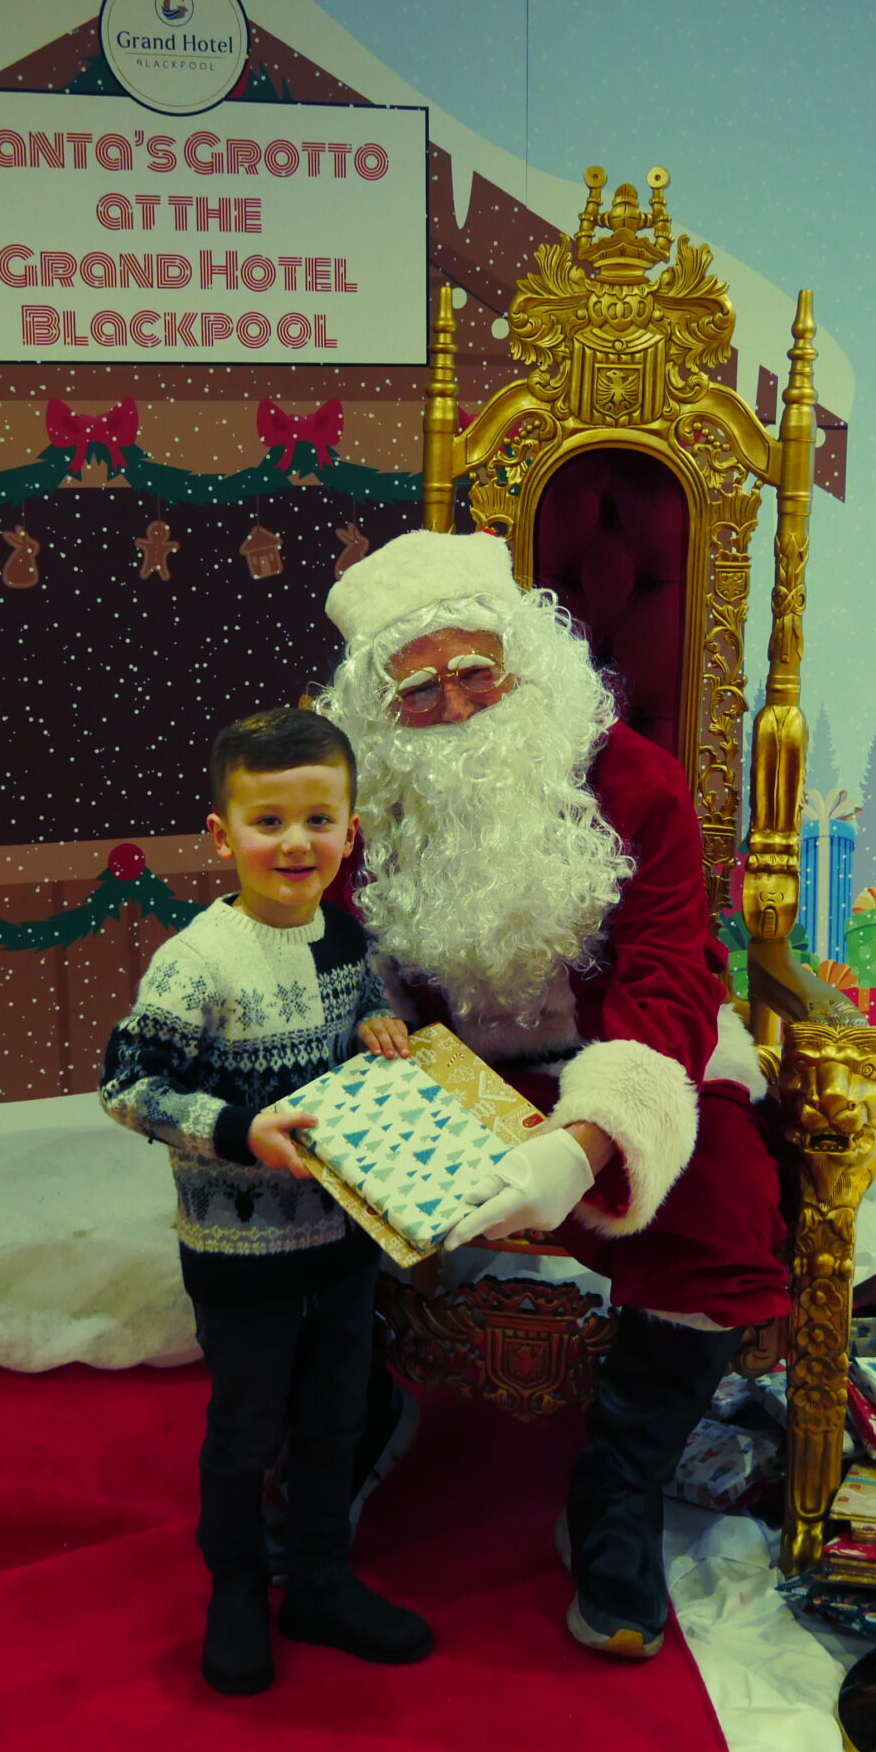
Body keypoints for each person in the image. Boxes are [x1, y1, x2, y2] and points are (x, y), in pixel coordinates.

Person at [316, 528, 788, 1661]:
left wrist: (581, 1143)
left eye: (475, 671)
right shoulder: (358, 807)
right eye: (417, 690)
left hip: (624, 1049)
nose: (455, 706)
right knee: (306, 1185)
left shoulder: (634, 780)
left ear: (524, 663)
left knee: (727, 1198)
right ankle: (358, 1417)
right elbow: (333, 960)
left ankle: (616, 1486)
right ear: (380, 709)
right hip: (439, 1060)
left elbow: (671, 975)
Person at [98, 709, 433, 1697]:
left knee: (337, 1413)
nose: (296, 843)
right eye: (269, 821)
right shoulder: (197, 961)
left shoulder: (343, 933)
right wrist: (241, 1130)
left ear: (350, 830)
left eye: (319, 820)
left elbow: (361, 999)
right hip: (238, 1251)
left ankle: (320, 1578)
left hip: (342, 1236)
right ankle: (238, 1584)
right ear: (221, 834)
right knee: (248, 1425)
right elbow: (129, 1086)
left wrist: (375, 1022)